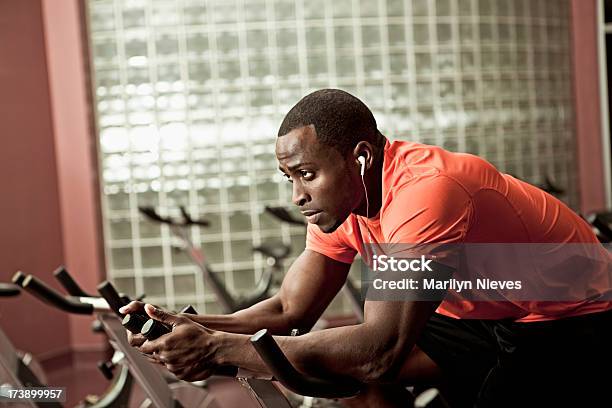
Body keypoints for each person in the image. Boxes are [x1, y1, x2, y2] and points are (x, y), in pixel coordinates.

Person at [121, 89, 612, 407]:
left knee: (371, 365)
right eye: (290, 178)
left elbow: (379, 349)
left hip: (568, 310)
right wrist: (190, 326)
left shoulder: (425, 192)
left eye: (307, 175)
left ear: (359, 158)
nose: (297, 196)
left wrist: (216, 349)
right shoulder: (342, 205)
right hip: (488, 302)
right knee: (360, 390)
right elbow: (292, 309)